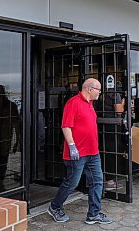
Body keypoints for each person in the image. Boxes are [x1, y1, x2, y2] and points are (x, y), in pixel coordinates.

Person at [48, 78, 113, 225]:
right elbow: (66, 126)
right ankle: (55, 206)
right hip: (77, 154)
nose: (100, 93)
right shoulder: (73, 103)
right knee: (72, 182)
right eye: (99, 90)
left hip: (93, 153)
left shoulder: (90, 104)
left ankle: (94, 214)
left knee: (97, 182)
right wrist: (72, 146)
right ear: (90, 89)